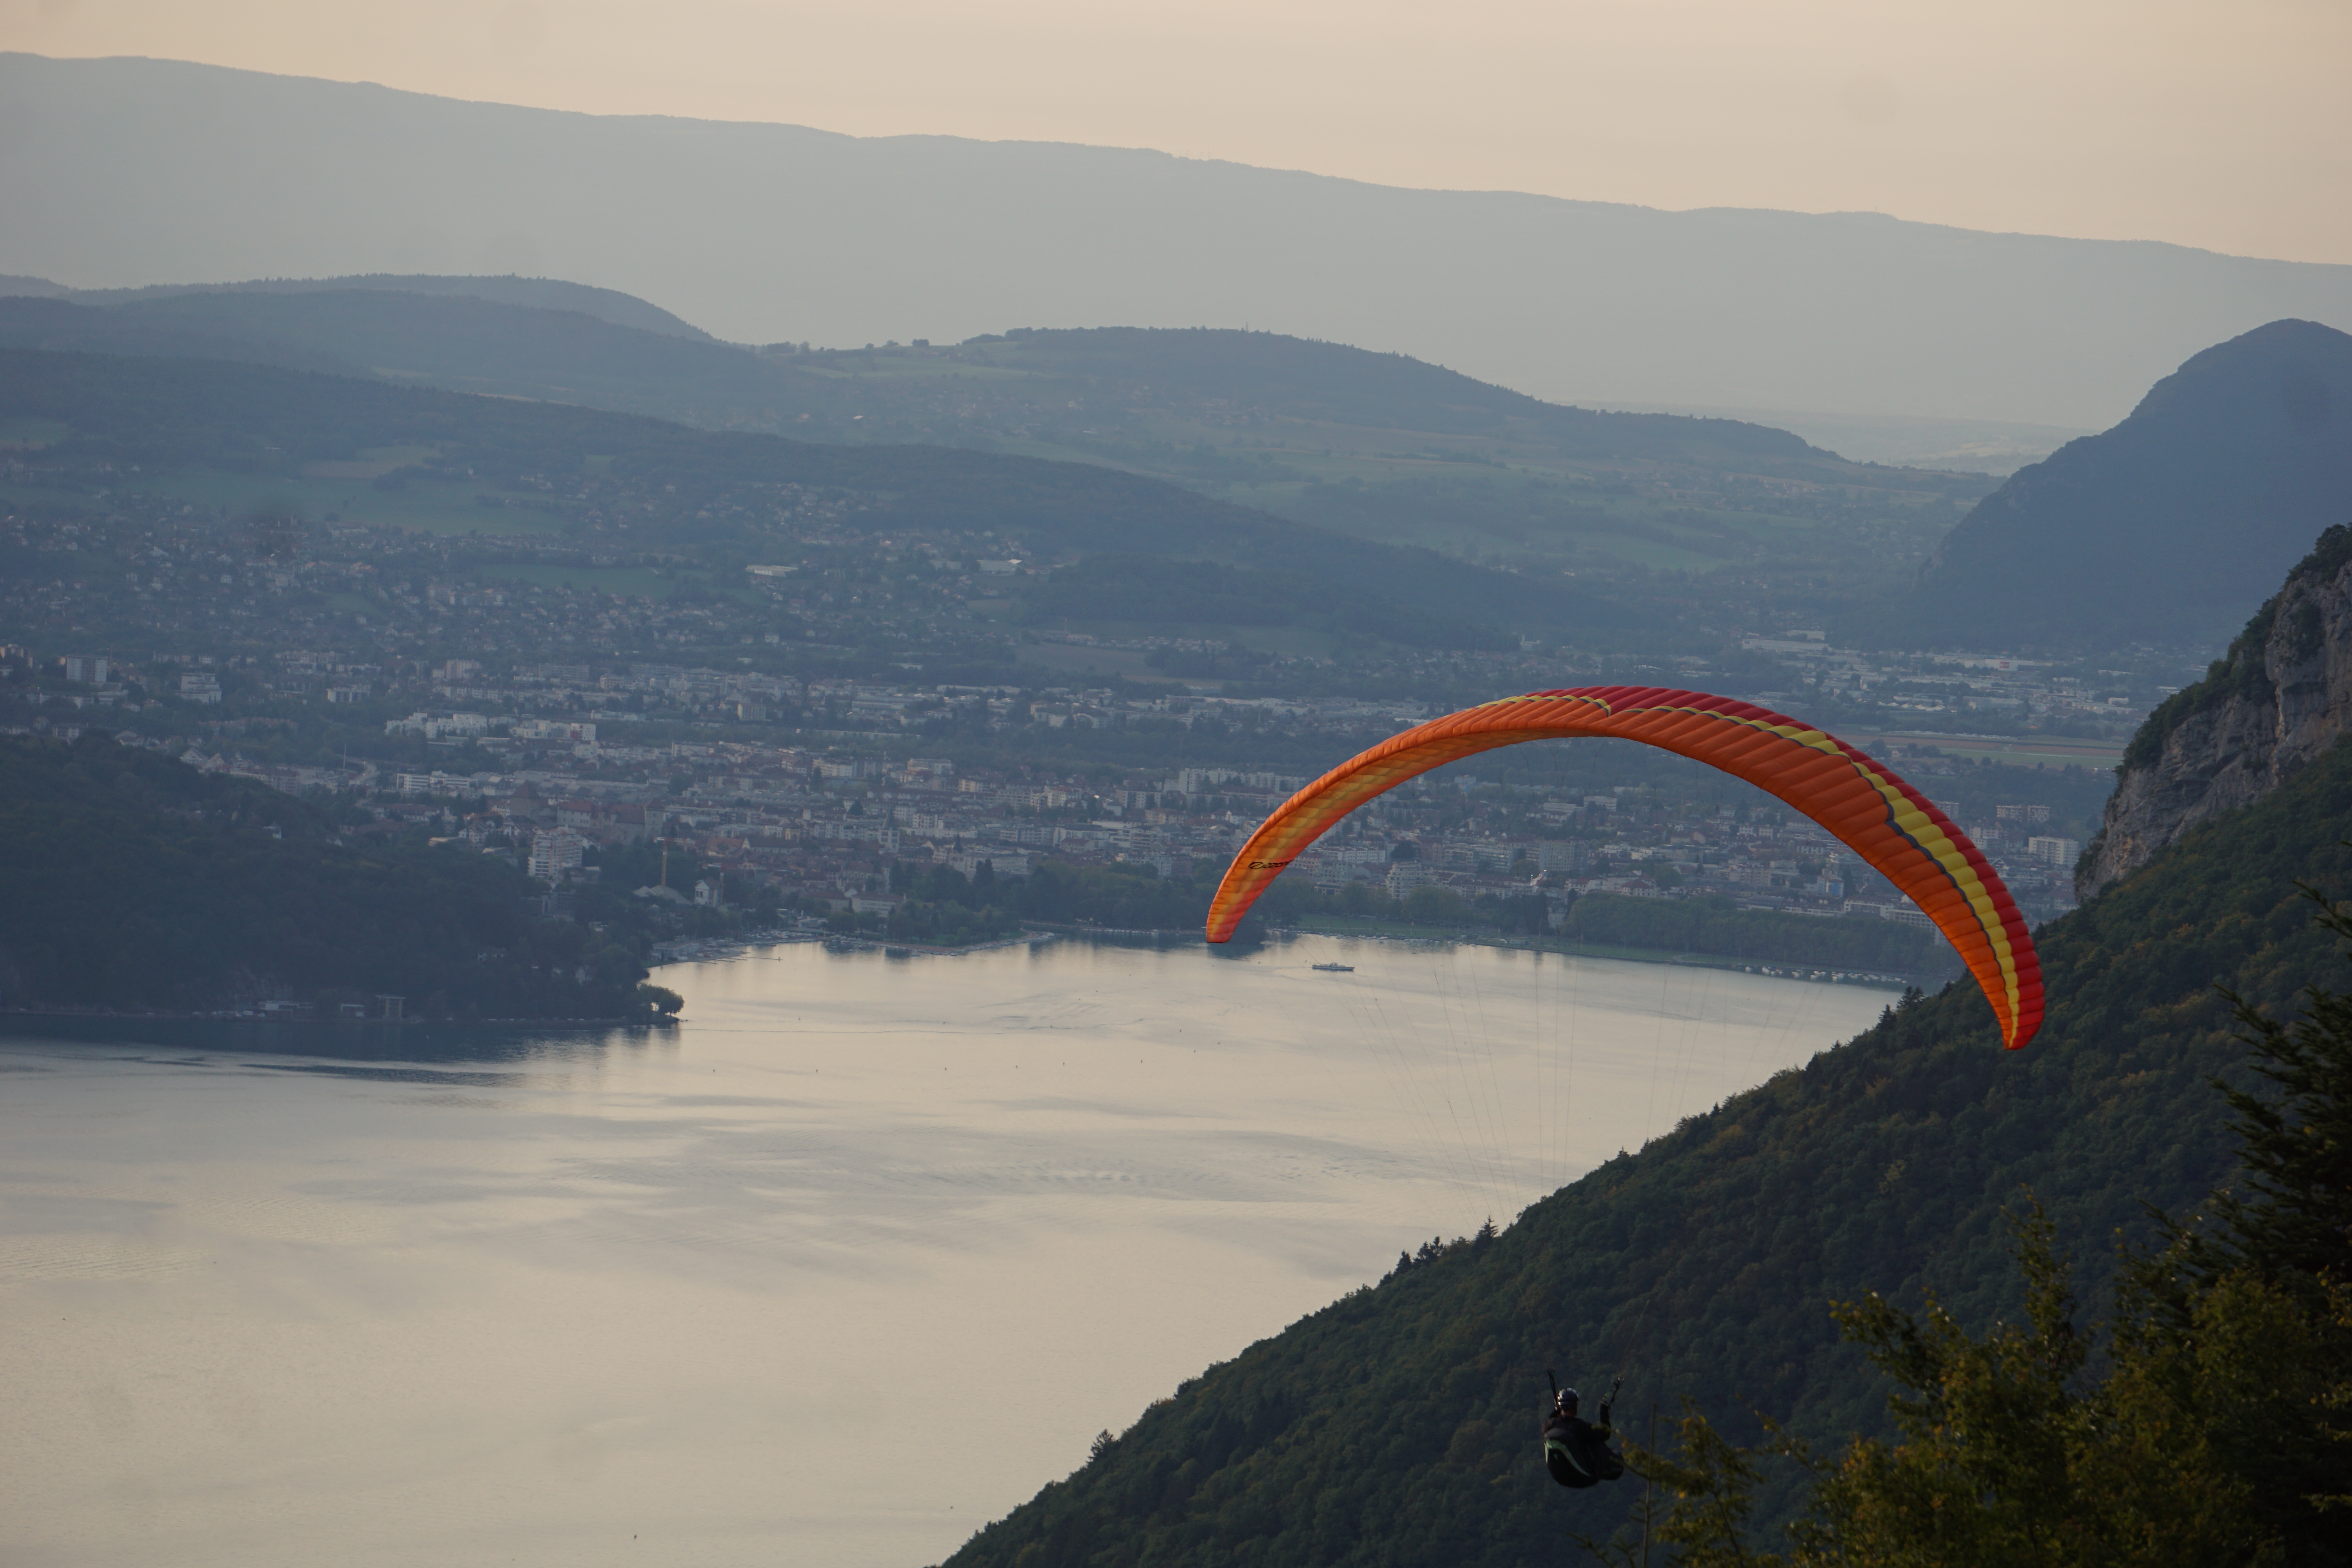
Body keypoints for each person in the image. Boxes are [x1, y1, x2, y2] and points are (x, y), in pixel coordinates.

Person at [1542, 1383, 1622, 1488]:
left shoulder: (1550, 1425)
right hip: (1583, 1477)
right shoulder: (1581, 1427)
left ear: (1560, 1406)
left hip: (1561, 1478)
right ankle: (1599, 1469)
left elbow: (1550, 1421)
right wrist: (1604, 1412)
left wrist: (1556, 1410)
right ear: (1576, 1406)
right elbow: (1605, 1435)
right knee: (1613, 1454)